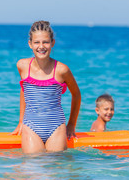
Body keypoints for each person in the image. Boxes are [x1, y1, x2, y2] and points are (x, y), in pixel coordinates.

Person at [11, 21, 81, 153]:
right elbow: (24, 90)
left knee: (55, 166)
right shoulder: (22, 66)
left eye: (46, 42)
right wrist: (21, 122)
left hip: (56, 127)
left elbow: (76, 94)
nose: (41, 46)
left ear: (53, 43)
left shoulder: (62, 70)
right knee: (33, 165)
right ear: (30, 44)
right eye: (37, 42)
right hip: (30, 125)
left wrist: (71, 124)